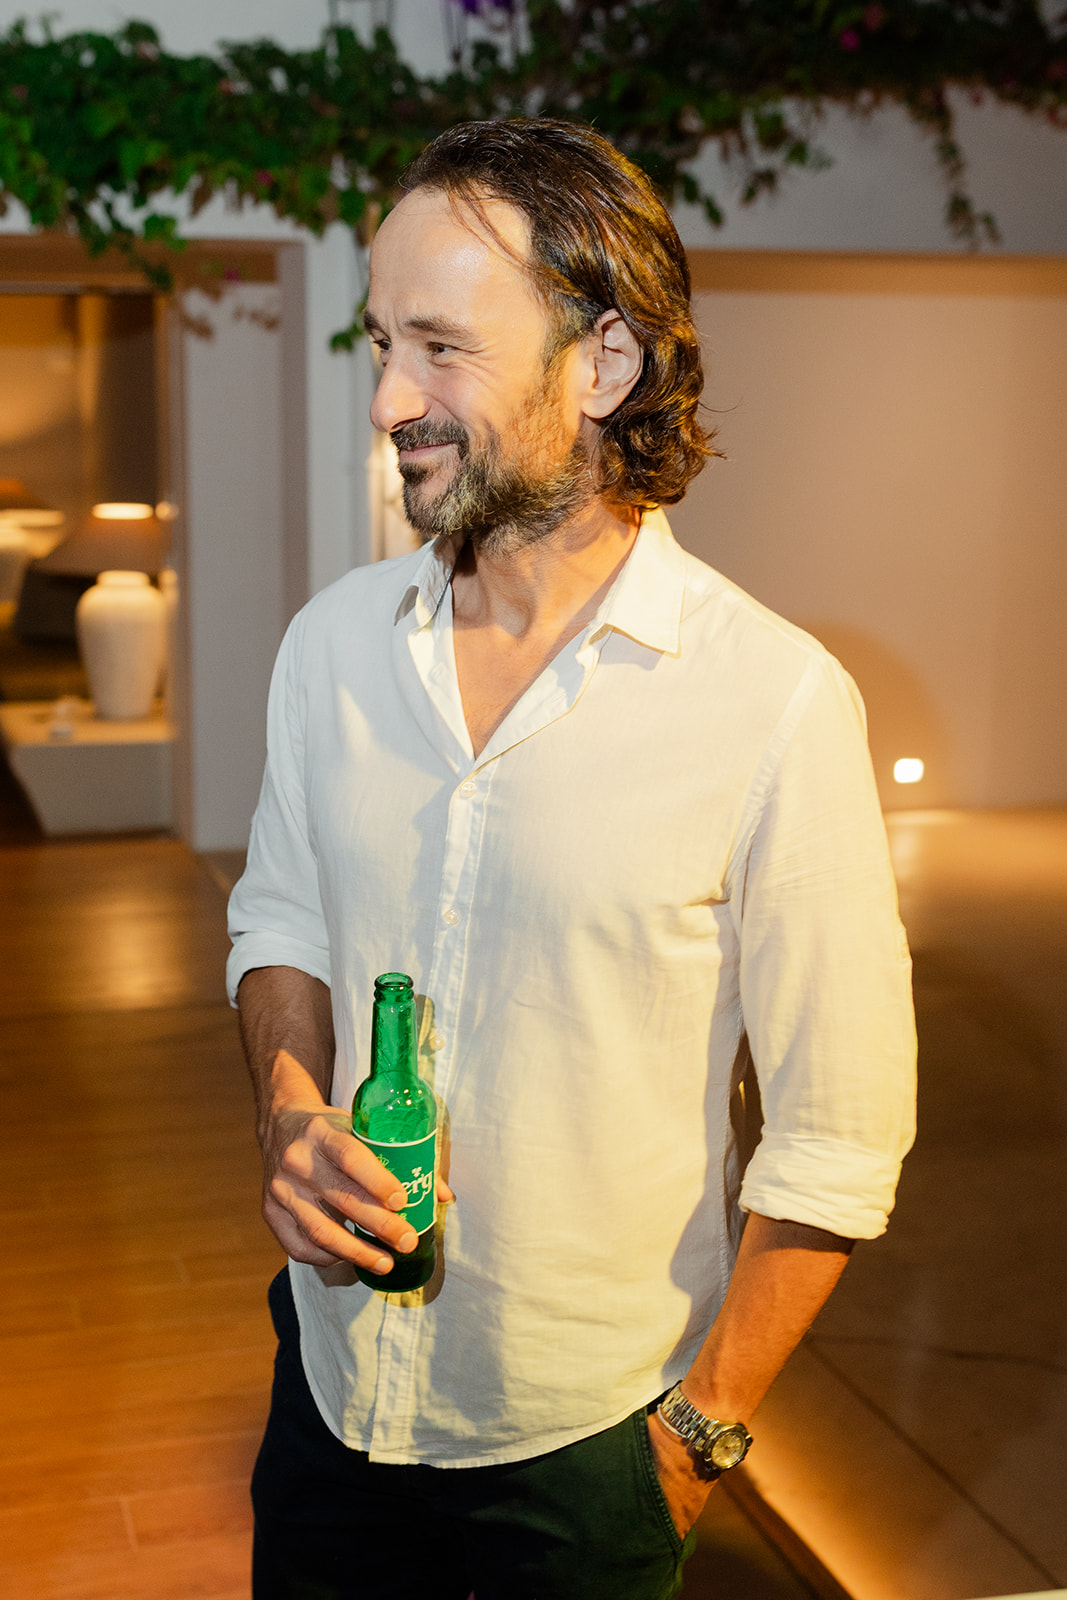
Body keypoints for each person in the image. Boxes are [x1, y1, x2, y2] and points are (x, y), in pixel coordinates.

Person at [228, 118, 916, 1600]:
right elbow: (278, 918)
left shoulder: (774, 703)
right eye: (382, 344)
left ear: (602, 364)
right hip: (327, 1395)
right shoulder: (329, 648)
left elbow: (839, 1137)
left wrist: (692, 1443)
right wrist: (289, 1109)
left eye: (441, 348)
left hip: (590, 1458)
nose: (389, 398)